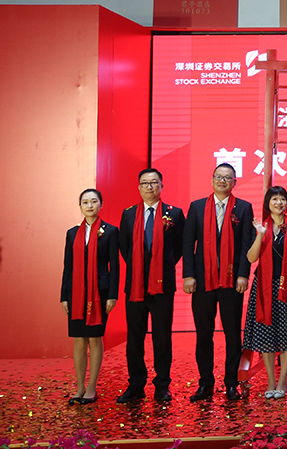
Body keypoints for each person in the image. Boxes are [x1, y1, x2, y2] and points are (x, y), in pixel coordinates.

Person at [182, 163, 255, 402]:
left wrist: (243, 274)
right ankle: (205, 383)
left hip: (232, 281)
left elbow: (246, 244)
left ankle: (231, 383)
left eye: (227, 177)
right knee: (204, 334)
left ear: (234, 182)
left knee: (232, 334)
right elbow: (188, 244)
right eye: (218, 176)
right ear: (212, 179)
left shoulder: (244, 208)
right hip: (203, 281)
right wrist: (188, 275)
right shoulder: (196, 207)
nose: (222, 180)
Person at [117, 168, 185, 403]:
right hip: (135, 285)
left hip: (162, 286)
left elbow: (179, 248)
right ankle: (136, 385)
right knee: (134, 338)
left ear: (161, 186)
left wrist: (162, 267)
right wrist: (140, 268)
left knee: (162, 337)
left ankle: (162, 386)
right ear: (139, 187)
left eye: (154, 182)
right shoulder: (128, 215)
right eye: (145, 183)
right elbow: (125, 248)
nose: (149, 187)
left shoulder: (174, 214)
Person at [243, 186, 287, 398]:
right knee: (266, 334)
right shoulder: (259, 226)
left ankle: (282, 382)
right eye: (274, 199)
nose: (279, 203)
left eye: (282, 199)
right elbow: (251, 258)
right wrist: (260, 236)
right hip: (265, 286)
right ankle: (271, 381)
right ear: (268, 203)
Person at [61, 188, 119, 405]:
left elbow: (115, 266)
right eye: (85, 202)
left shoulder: (110, 231)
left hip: (99, 292)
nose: (90, 205)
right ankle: (79, 387)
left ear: (101, 205)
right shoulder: (71, 233)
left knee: (94, 338)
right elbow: (68, 267)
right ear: (80, 206)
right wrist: (63, 296)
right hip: (75, 293)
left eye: (94, 201)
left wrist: (112, 295)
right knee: (79, 339)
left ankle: (92, 387)